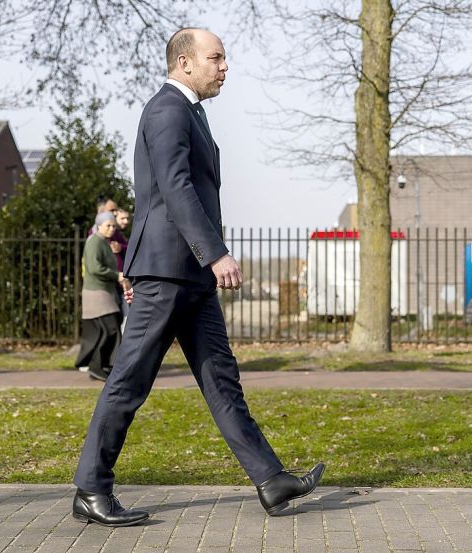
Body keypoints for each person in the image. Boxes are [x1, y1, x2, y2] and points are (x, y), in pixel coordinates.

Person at [72, 28, 324, 528]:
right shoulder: (167, 109)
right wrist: (216, 254)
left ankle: (270, 479)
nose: (224, 67)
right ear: (184, 63)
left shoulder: (193, 113)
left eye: (224, 58)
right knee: (129, 381)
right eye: (216, 58)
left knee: (221, 380)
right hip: (167, 272)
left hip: (191, 278)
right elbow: (176, 187)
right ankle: (91, 488)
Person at [75, 212, 129, 381]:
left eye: (114, 226)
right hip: (96, 293)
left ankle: (103, 365)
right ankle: (97, 366)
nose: (112, 229)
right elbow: (94, 268)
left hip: (105, 292)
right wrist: (117, 275)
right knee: (111, 328)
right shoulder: (95, 242)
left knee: (111, 327)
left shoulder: (105, 242)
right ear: (99, 226)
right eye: (108, 225)